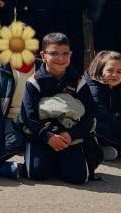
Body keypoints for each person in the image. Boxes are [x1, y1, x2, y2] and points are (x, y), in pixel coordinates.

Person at [21, 33, 98, 185]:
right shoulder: (34, 82)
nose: (61, 58)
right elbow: (28, 116)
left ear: (70, 54)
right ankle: (46, 157)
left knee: (77, 178)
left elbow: (90, 112)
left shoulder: (78, 81)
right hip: (42, 136)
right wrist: (47, 136)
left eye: (65, 53)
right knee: (37, 173)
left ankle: (62, 160)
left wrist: (72, 134)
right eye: (54, 53)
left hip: (69, 137)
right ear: (43, 55)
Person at [0, 34, 39, 160]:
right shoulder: (0, 68)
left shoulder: (42, 67)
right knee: (13, 143)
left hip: (34, 117)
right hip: (9, 116)